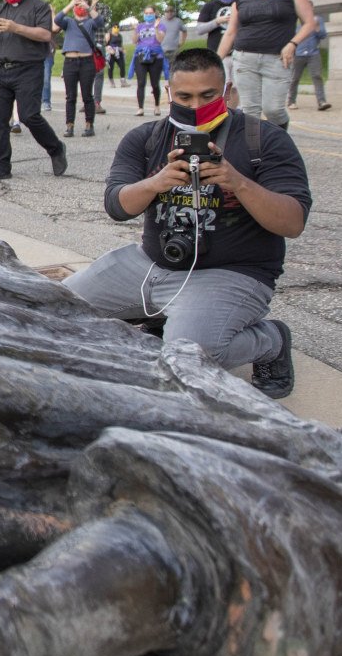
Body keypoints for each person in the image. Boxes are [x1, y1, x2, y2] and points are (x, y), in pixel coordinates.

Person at [62, 47, 311, 397]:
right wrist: (157, 181)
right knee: (54, 309)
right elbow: (116, 206)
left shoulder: (263, 140)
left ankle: (270, 340)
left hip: (232, 272)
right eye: (184, 97)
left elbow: (293, 222)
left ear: (225, 92)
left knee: (184, 361)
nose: (195, 107)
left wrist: (236, 180)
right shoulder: (145, 138)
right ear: (168, 94)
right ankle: (167, 319)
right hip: (150, 263)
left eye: (207, 96)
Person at [0, 0, 65, 181]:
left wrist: (15, 27)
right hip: (0, 71)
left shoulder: (38, 7)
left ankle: (56, 148)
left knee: (28, 116)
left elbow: (45, 34)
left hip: (28, 69)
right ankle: (1, 165)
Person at [218, 0, 317, 130]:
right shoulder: (242, 0)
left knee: (273, 109)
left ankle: (279, 143)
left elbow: (309, 23)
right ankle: (252, 151)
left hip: (277, 59)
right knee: (250, 110)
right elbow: (230, 33)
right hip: (244, 58)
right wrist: (216, 59)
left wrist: (293, 44)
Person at [54, 0, 105, 138]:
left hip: (86, 61)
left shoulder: (90, 22)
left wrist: (88, 8)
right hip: (70, 62)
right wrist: (70, 5)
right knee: (70, 96)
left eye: (81, 3)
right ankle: (69, 126)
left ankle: (89, 125)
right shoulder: (69, 22)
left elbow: (100, 21)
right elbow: (57, 20)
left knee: (87, 95)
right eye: (78, 4)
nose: (79, 6)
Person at [190, 0, 242, 106]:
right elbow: (200, 29)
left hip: (238, 52)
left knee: (235, 88)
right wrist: (217, 22)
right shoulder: (210, 6)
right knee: (221, 87)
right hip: (218, 53)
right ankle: (220, 114)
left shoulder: (242, 4)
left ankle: (232, 114)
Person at [287, 11, 331, 112]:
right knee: (294, 78)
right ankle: (291, 101)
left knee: (317, 76)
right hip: (298, 54)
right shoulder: (295, 22)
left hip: (313, 53)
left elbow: (323, 35)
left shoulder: (317, 20)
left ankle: (322, 101)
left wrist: (316, 27)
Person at [130, 7, 168, 117]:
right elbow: (134, 41)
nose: (148, 15)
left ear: (154, 13)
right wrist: (135, 30)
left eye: (150, 13)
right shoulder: (140, 26)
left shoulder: (161, 25)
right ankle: (140, 108)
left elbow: (160, 39)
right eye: (146, 13)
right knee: (141, 83)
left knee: (155, 84)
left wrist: (155, 28)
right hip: (141, 55)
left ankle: (157, 106)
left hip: (156, 56)